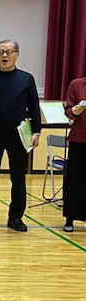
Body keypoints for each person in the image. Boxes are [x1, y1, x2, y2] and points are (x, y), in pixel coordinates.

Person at [0, 39, 41, 232]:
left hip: (18, 136)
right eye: (1, 52)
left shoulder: (26, 79)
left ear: (17, 55)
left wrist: (36, 131)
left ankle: (15, 217)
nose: (4, 55)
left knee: (18, 178)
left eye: (9, 52)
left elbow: (34, 107)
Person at [62, 76, 86, 232]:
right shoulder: (77, 84)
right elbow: (68, 111)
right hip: (79, 139)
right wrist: (75, 111)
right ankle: (70, 218)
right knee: (74, 180)